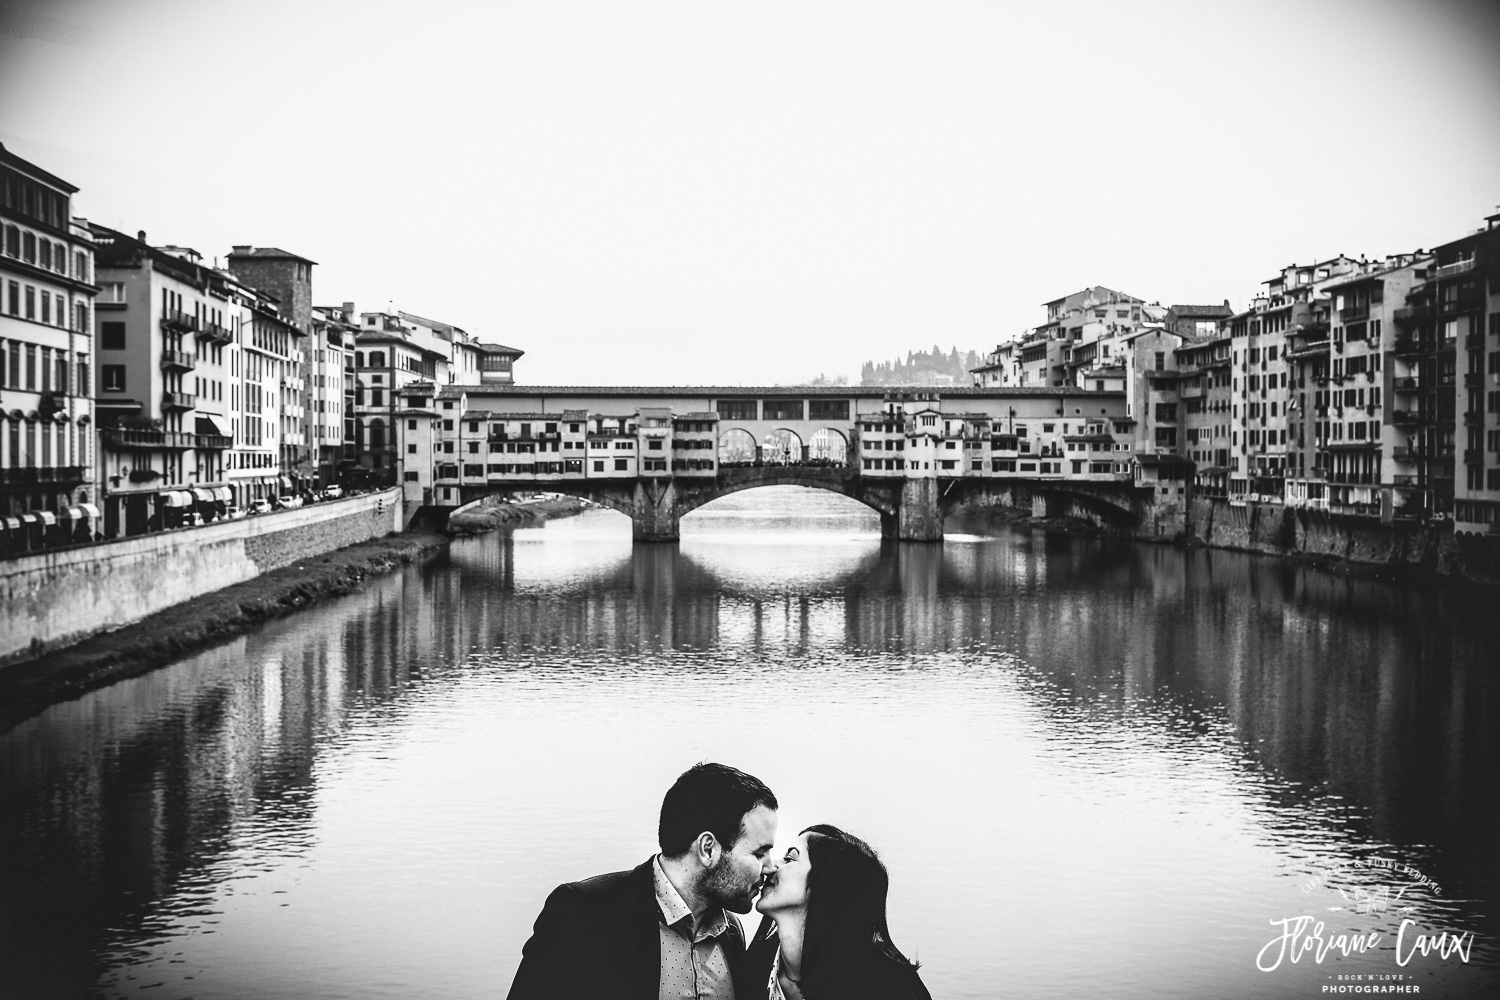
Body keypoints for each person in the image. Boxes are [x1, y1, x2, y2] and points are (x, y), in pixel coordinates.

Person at [507, 762, 779, 1000]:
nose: (770, 867)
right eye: (759, 853)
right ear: (708, 849)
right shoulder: (584, 912)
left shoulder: (731, 932)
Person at [749, 825, 931, 1000]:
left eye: (789, 859)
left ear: (827, 884)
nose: (771, 866)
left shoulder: (893, 989)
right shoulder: (754, 967)